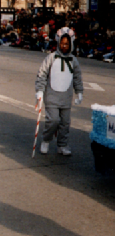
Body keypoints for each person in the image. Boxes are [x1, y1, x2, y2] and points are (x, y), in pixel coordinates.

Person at [35, 27, 84, 156]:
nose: (64, 45)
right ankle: (46, 140)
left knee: (65, 123)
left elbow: (77, 78)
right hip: (52, 97)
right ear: (58, 43)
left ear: (71, 44)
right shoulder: (51, 57)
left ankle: (62, 145)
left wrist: (79, 92)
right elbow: (42, 74)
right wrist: (39, 91)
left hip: (66, 98)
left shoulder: (74, 61)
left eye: (67, 43)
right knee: (53, 121)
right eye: (62, 43)